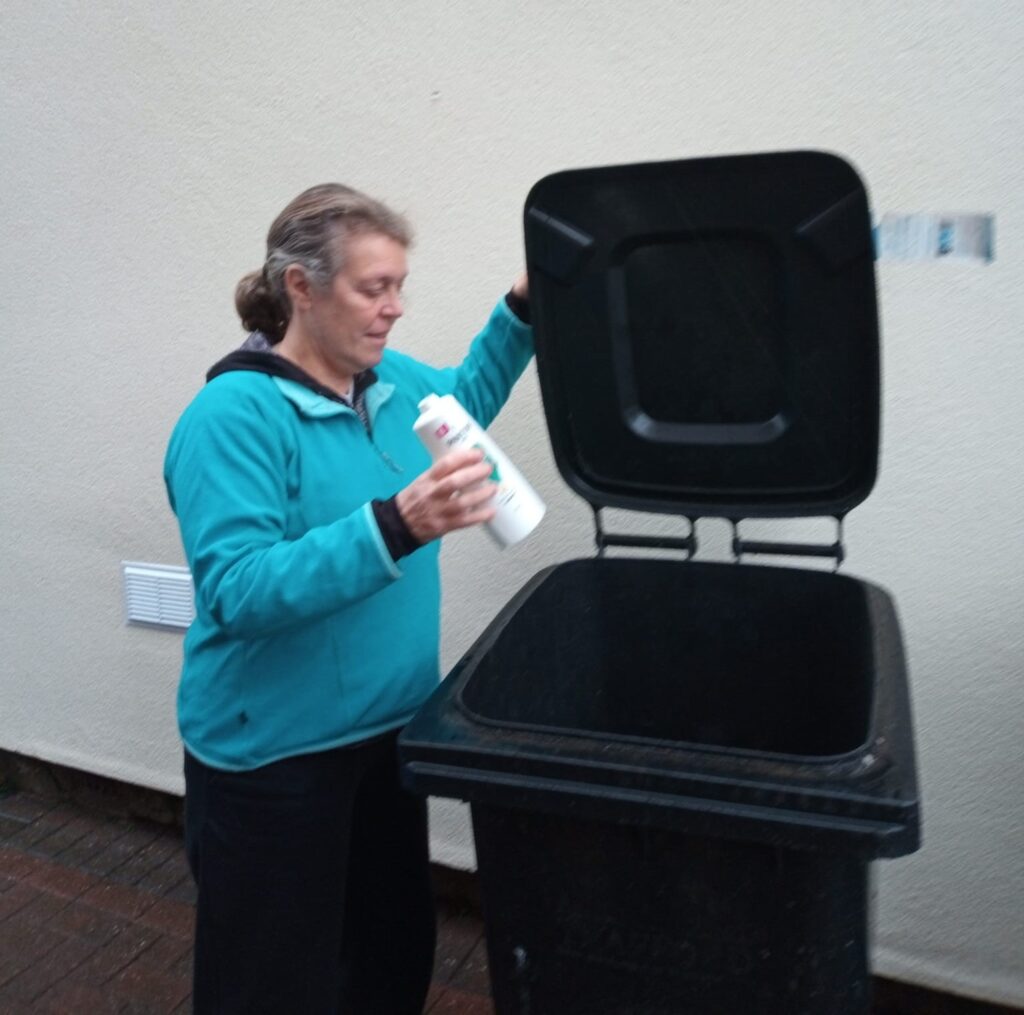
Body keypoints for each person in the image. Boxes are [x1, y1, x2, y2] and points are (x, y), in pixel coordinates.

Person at [163, 183, 534, 1014]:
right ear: (301, 286)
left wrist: (522, 307)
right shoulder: (233, 416)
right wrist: (395, 525)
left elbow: (464, 397)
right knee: (272, 982)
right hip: (274, 763)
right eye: (375, 288)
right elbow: (235, 589)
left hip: (388, 737)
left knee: (387, 958)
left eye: (400, 286)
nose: (395, 308)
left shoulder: (389, 381)